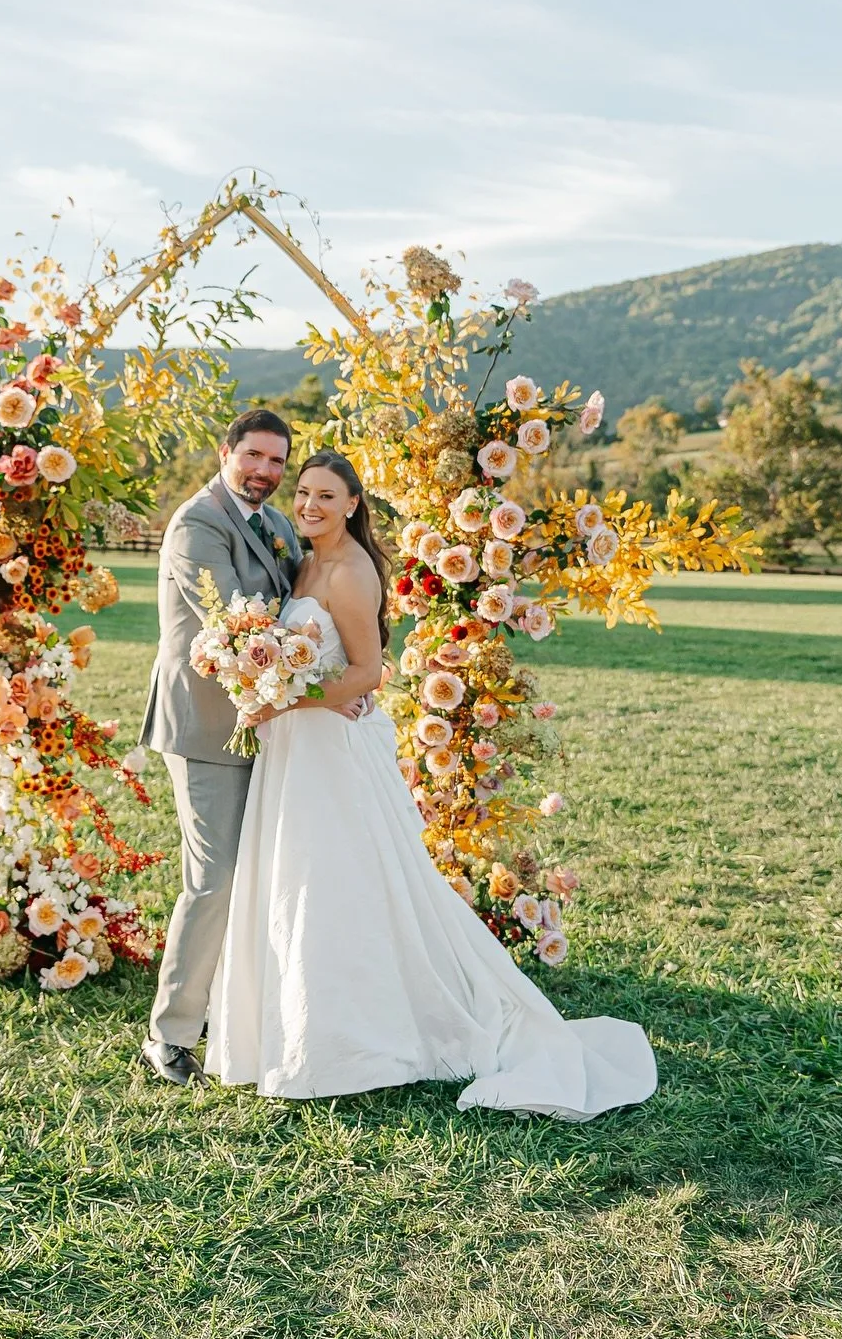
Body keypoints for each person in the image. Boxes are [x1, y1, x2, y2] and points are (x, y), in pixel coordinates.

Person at [204, 451, 658, 1117]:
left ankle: (359, 1039)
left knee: (342, 882)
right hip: (297, 750)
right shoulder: (306, 562)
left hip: (330, 751)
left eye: (326, 495)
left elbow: (367, 671)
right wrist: (262, 677)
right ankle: (292, 1024)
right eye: (304, 493)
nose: (309, 505)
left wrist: (278, 698)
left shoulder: (354, 571)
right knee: (298, 880)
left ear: (354, 503)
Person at [138, 412, 372, 1086]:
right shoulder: (197, 525)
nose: (265, 471)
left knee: (261, 873)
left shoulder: (273, 523)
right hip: (208, 727)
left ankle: (230, 1008)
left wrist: (346, 671)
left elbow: (311, 600)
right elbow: (237, 621)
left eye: (277, 461)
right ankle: (170, 1033)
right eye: (254, 456)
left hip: (271, 724)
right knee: (213, 878)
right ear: (226, 452)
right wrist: (331, 675)